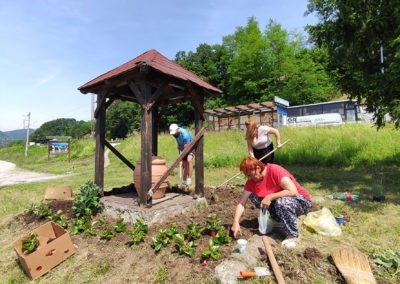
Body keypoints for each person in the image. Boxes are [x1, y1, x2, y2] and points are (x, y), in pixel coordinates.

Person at [231, 157, 312, 248]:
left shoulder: (274, 170)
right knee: (254, 196)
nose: (249, 178)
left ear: (257, 168)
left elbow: (293, 191)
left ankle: (293, 235)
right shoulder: (251, 182)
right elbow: (242, 203)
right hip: (280, 202)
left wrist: (269, 196)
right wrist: (236, 222)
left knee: (282, 203)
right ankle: (277, 221)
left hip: (301, 201)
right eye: (247, 176)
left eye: (250, 174)